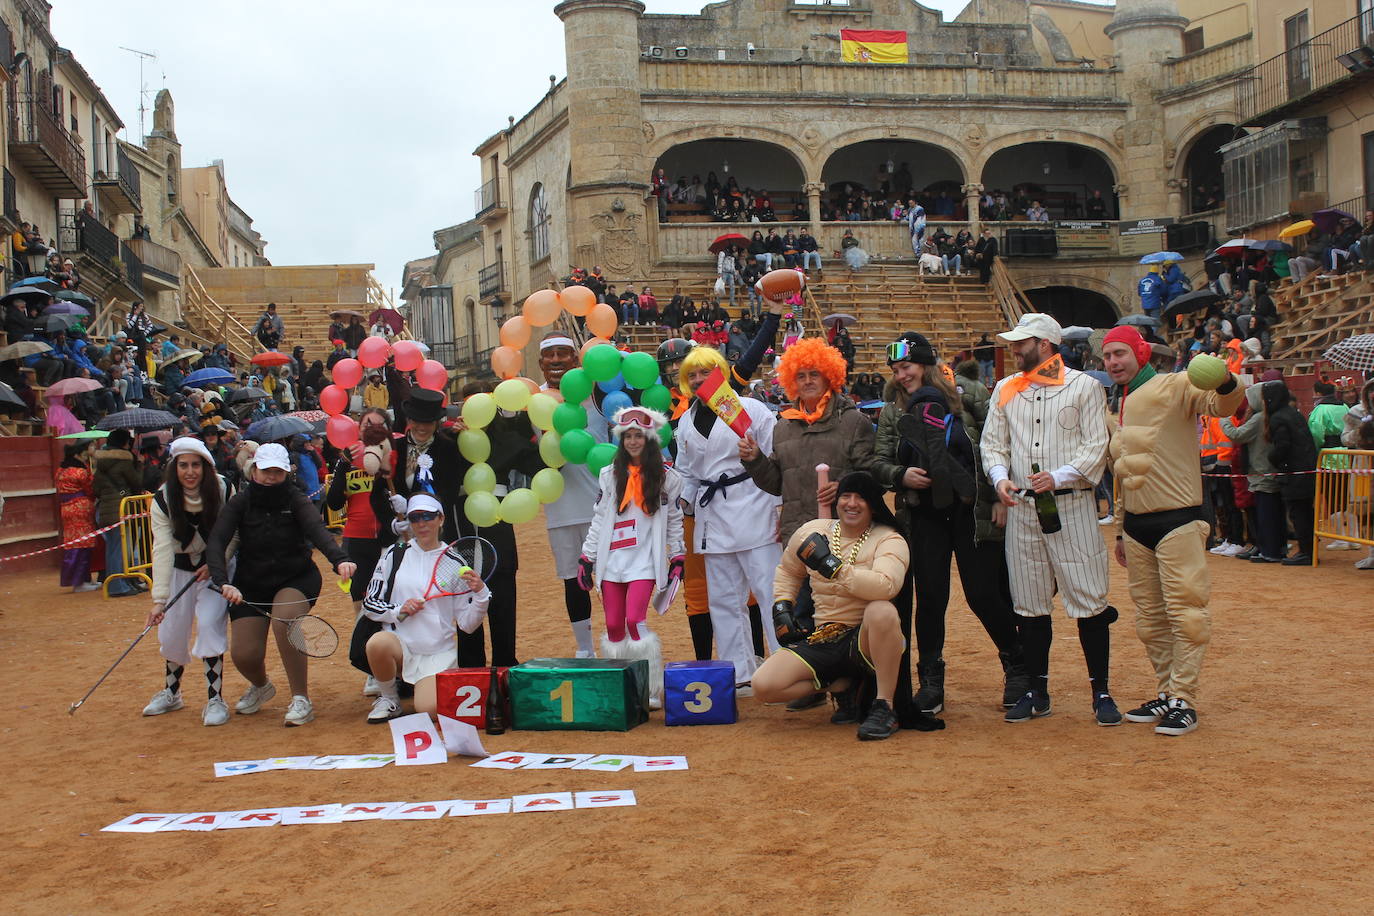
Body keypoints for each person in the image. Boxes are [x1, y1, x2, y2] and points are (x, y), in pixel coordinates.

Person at [1101, 328, 1245, 737]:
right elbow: (1124, 473)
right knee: (1151, 619)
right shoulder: (1120, 402)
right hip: (1137, 526)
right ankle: (1167, 692)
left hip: (1180, 518)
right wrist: (1119, 530)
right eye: (1108, 355)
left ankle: (1184, 698)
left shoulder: (1176, 384)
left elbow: (1224, 404)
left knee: (1187, 613)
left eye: (1120, 354)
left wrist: (1226, 379)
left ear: (1141, 354)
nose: (1113, 362)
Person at [873, 333, 1025, 714]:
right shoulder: (893, 407)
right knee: (931, 596)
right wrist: (901, 474)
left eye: (905, 366)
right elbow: (878, 461)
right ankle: (931, 679)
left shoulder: (967, 392)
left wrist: (994, 497)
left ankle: (1017, 664)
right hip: (922, 513)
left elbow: (997, 445)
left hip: (970, 510)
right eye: (895, 369)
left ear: (924, 363)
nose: (900, 375)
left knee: (983, 592)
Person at [980, 313, 1119, 726]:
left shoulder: (1086, 386)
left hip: (1071, 505)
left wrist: (1058, 476)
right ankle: (1036, 691)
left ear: (1045, 344)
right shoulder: (1006, 389)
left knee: (1089, 601)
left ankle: (1101, 692)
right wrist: (1000, 479)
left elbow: (1097, 446)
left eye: (1021, 342)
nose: (1013, 348)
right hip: (1023, 509)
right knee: (1029, 605)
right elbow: (993, 444)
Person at [751, 472, 922, 741]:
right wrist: (782, 606)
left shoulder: (889, 540)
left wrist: (835, 570)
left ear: (873, 505)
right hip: (824, 636)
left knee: (882, 611)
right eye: (845, 496)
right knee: (763, 686)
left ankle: (884, 706)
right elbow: (788, 570)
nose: (851, 504)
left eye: (860, 498)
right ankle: (839, 684)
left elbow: (886, 586)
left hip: (864, 638)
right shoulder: (812, 530)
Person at [206, 443, 355, 727]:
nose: (271, 477)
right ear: (254, 471)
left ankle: (301, 699)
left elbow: (318, 531)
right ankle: (261, 685)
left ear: (286, 473)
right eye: (266, 471)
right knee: (244, 655)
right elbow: (217, 541)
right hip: (251, 582)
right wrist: (221, 581)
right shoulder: (241, 502)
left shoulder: (296, 499)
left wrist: (340, 560)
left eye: (277, 472)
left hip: (296, 577)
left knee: (285, 621)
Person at [675, 347, 782, 694]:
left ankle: (784, 667)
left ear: (721, 372)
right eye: (691, 374)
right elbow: (688, 472)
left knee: (768, 591)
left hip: (753, 503)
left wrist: (778, 504)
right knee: (722, 598)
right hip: (713, 515)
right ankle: (739, 670)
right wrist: (682, 498)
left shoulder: (751, 408)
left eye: (705, 371)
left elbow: (773, 457)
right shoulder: (686, 421)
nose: (697, 379)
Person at [578, 407, 683, 709]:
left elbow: (674, 519)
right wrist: (588, 557)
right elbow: (599, 519)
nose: (633, 441)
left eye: (639, 436)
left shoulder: (666, 478)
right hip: (613, 562)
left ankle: (648, 688)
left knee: (635, 621)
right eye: (628, 436)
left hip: (644, 562)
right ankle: (619, 687)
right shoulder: (610, 476)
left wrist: (677, 556)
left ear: (649, 439)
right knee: (613, 626)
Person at [361, 493, 492, 723]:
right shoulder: (395, 553)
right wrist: (400, 610)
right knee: (378, 643)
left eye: (428, 517)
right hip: (401, 648)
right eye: (415, 518)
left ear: (441, 519)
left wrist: (481, 594)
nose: (421, 524)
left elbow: (467, 625)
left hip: (438, 655)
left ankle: (421, 689)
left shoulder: (455, 562)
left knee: (427, 709)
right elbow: (370, 603)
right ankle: (389, 698)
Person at [140, 438, 237, 726]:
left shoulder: (223, 489)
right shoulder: (162, 500)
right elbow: (162, 548)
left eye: (196, 465)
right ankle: (172, 692)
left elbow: (233, 533)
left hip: (215, 570)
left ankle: (215, 698)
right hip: (180, 571)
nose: (190, 472)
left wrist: (216, 564)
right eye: (183, 465)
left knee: (209, 624)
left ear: (206, 467)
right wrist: (159, 600)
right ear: (175, 468)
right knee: (172, 632)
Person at [537, 332, 610, 657]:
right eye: (549, 355)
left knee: (613, 580)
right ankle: (585, 650)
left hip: (606, 506)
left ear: (576, 360)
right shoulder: (530, 400)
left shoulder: (598, 394)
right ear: (540, 364)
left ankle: (619, 642)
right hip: (561, 508)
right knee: (573, 580)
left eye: (563, 354)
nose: (556, 361)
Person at [1263, 378, 1319, 566]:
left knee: (1299, 514)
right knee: (1305, 512)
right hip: (1306, 470)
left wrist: (1273, 459)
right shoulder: (1292, 413)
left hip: (1294, 473)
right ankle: (1309, 550)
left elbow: (1283, 446)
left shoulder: (1278, 417)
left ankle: (1306, 552)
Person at [93, 429, 144, 598]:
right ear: (124, 443)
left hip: (107, 509)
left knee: (113, 548)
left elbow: (96, 489)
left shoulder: (100, 464)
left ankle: (118, 581)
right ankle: (118, 585)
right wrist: (140, 465)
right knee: (121, 548)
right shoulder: (125, 461)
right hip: (123, 509)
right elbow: (137, 483)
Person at [55, 440, 101, 593]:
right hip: (81, 508)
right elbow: (90, 489)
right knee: (83, 545)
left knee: (73, 544)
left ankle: (82, 579)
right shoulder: (81, 471)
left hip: (66, 508)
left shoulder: (60, 471)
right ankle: (80, 581)